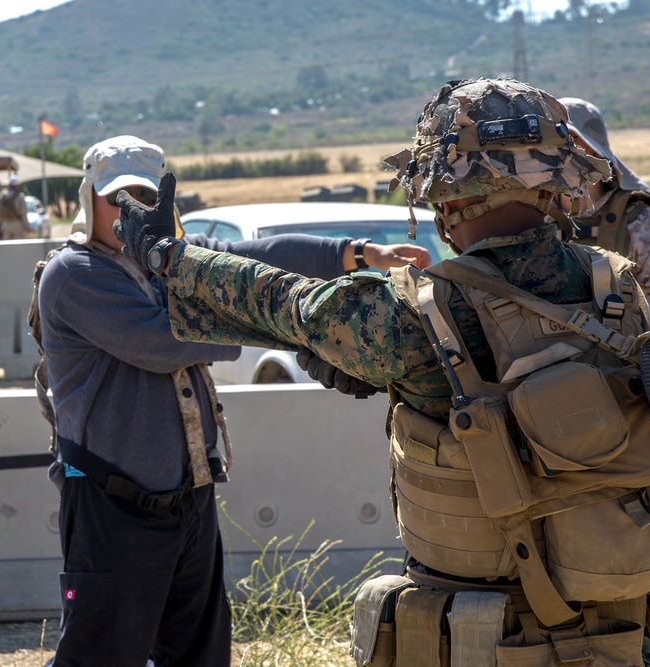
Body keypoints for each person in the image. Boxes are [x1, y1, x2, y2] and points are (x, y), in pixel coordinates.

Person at [116, 80, 650, 665]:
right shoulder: (616, 283)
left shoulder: (421, 313)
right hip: (621, 627)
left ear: (448, 197)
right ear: (553, 184)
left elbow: (286, 305)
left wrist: (168, 256)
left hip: (488, 630)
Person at [36, 134, 430, 667]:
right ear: (89, 201)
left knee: (200, 652)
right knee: (101, 653)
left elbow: (260, 258)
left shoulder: (168, 263)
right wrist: (277, 317)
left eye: (145, 198)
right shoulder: (76, 274)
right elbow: (164, 341)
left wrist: (357, 254)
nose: (129, 211)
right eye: (115, 198)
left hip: (188, 498)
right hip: (114, 506)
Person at [558, 96, 650, 384]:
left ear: (595, 150)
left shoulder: (644, 227)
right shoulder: (535, 222)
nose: (563, 156)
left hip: (634, 385)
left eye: (572, 143)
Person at [0, 175, 30, 240]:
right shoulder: (19, 197)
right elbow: (23, 212)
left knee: (6, 245)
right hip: (17, 223)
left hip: (5, 223)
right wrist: (26, 225)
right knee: (18, 246)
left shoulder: (3, 196)